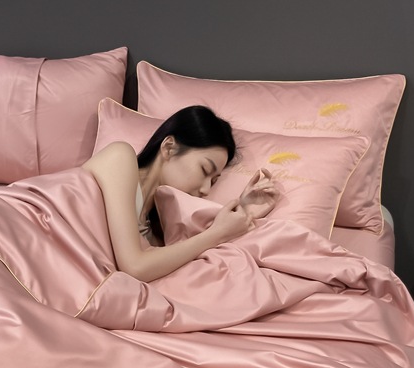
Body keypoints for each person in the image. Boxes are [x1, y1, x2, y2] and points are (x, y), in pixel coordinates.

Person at [82, 105, 278, 282]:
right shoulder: (120, 156)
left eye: (213, 181)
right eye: (204, 170)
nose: (206, 190)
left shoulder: (156, 235)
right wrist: (217, 233)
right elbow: (135, 267)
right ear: (169, 148)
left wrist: (243, 212)